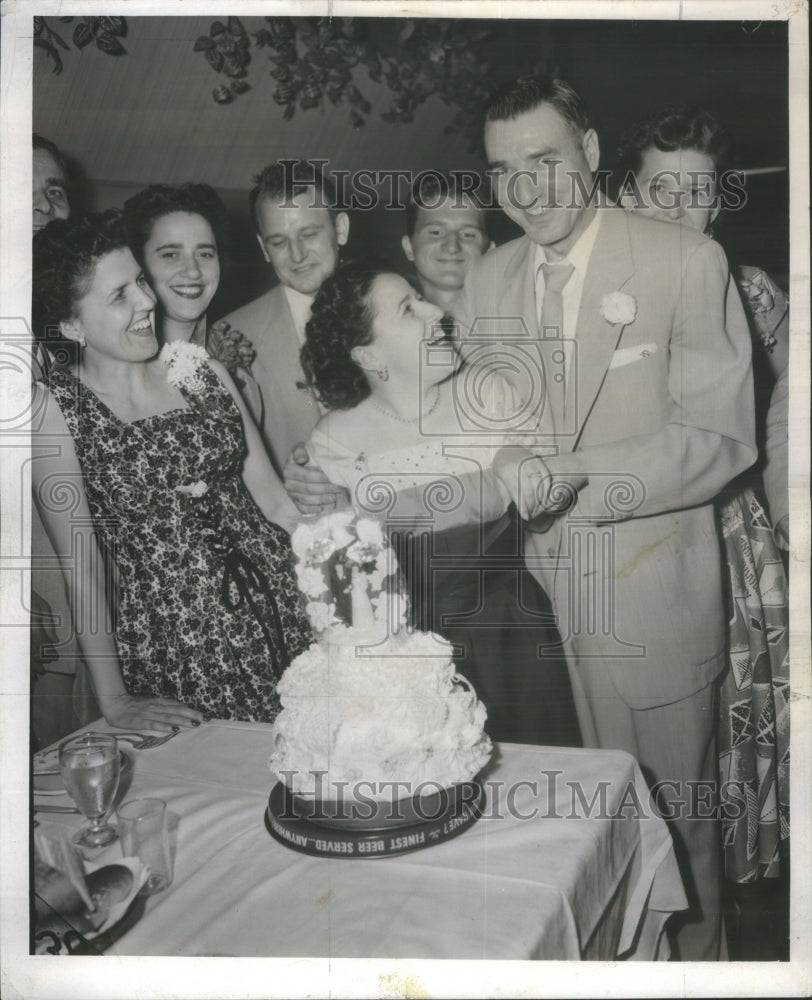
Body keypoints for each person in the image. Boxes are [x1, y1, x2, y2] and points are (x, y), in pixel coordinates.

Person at [454, 76, 756, 960]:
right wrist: (510, 461)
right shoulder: (488, 276)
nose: (526, 190)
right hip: (526, 626)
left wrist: (573, 474)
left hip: (649, 608)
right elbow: (485, 423)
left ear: (589, 151)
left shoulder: (681, 261)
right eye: (503, 170)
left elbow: (719, 440)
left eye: (545, 160)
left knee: (680, 845)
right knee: (571, 847)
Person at [31, 212, 312, 729]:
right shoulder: (57, 410)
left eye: (139, 280)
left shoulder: (198, 368)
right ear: (71, 324)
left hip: (282, 608)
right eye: (119, 296)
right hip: (179, 643)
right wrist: (114, 701)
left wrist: (342, 587)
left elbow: (275, 503)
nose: (147, 300)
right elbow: (84, 568)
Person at [616, 106, 790, 893]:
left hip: (741, 541)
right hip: (643, 543)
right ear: (627, 196)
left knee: (739, 708)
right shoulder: (604, 303)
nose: (686, 211)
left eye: (700, 193)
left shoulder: (754, 292)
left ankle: (736, 887)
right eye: (665, 191)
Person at [300, 259, 580, 746]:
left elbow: (548, 509)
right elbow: (339, 582)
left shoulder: (489, 395)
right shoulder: (332, 442)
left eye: (421, 297)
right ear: (367, 356)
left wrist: (529, 464)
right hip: (403, 655)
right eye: (410, 308)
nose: (436, 311)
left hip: (510, 634)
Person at [217, 163, 349, 511]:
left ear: (341, 229)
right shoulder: (228, 337)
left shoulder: (397, 310)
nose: (297, 255)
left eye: (308, 234)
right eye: (279, 241)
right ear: (263, 247)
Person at [124, 182, 262, 423]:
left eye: (205, 254)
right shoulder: (114, 372)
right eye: (170, 255)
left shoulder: (239, 373)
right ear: (138, 264)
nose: (193, 271)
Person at [401, 171, 492, 312]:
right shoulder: (376, 324)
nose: (452, 247)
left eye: (468, 234)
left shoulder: (521, 318)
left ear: (489, 251)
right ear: (409, 248)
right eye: (436, 232)